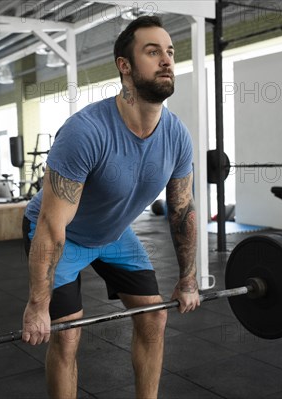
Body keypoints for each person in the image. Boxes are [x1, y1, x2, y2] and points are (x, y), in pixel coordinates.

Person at [21, 15, 200, 398]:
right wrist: (39, 304)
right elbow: (53, 226)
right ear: (125, 66)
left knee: (154, 318)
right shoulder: (85, 132)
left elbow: (183, 211)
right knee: (67, 335)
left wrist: (187, 278)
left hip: (114, 236)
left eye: (169, 52)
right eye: (152, 52)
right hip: (61, 236)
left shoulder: (177, 136)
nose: (166, 60)